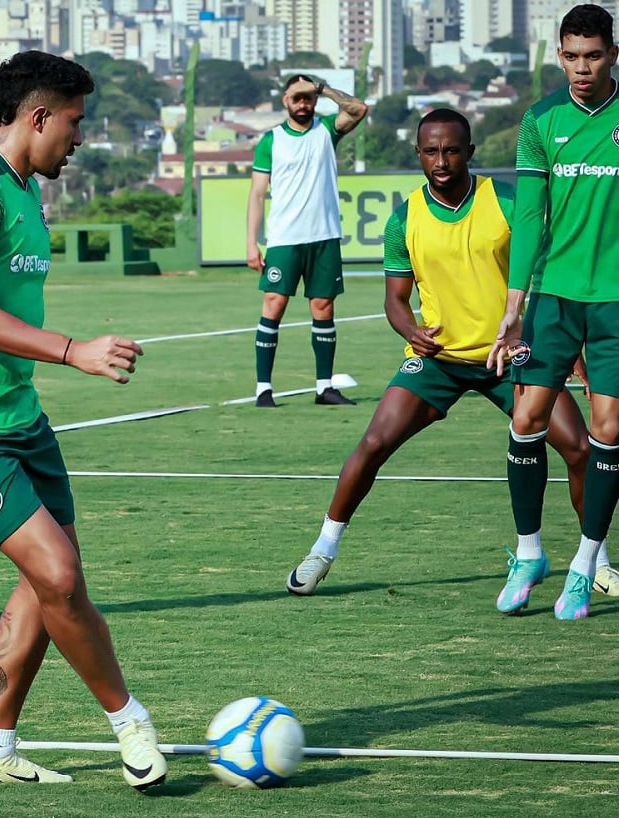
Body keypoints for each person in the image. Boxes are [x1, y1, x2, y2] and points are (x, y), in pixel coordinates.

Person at [0, 51, 167, 790]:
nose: (79, 138)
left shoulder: (23, 190)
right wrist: (74, 350)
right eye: (74, 123)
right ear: (38, 116)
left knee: (47, 583)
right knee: (57, 573)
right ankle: (130, 721)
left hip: (20, 420)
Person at [285, 108, 617, 597]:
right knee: (374, 443)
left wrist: (559, 344)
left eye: (452, 149)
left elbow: (545, 279)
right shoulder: (404, 220)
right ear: (418, 154)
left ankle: (597, 563)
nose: (442, 160)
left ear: (470, 152)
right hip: (439, 360)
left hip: (510, 358)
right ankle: (322, 550)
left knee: (580, 448)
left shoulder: (505, 202)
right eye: (432, 151)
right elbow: (395, 299)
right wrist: (411, 330)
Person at [490, 3, 619, 620]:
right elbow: (530, 218)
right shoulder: (541, 120)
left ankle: (586, 562)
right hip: (554, 297)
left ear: (613, 55)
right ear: (559, 55)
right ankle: (529, 551)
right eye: (571, 56)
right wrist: (514, 306)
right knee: (526, 417)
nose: (581, 68)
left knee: (610, 431)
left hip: (616, 301)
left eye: (593, 55)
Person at [246, 74, 369, 408]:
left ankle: (324, 387)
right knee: (274, 304)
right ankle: (263, 389)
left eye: (308, 98)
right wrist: (251, 243)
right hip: (285, 238)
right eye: (296, 97)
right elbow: (257, 194)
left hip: (324, 235)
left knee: (323, 307)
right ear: (284, 99)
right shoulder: (270, 140)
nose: (303, 104)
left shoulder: (326, 130)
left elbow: (359, 109)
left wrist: (323, 88)